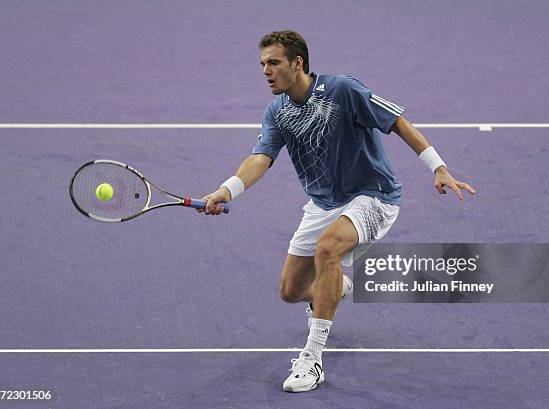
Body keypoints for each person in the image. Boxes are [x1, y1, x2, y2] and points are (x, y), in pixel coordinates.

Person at [198, 30, 476, 392]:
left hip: (373, 195)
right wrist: (227, 190)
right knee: (291, 291)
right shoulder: (277, 112)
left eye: (274, 63)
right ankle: (335, 287)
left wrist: (438, 167)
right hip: (322, 204)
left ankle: (312, 360)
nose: (266, 71)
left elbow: (397, 123)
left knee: (327, 250)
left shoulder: (343, 90)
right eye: (263, 64)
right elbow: (260, 158)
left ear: (297, 63)